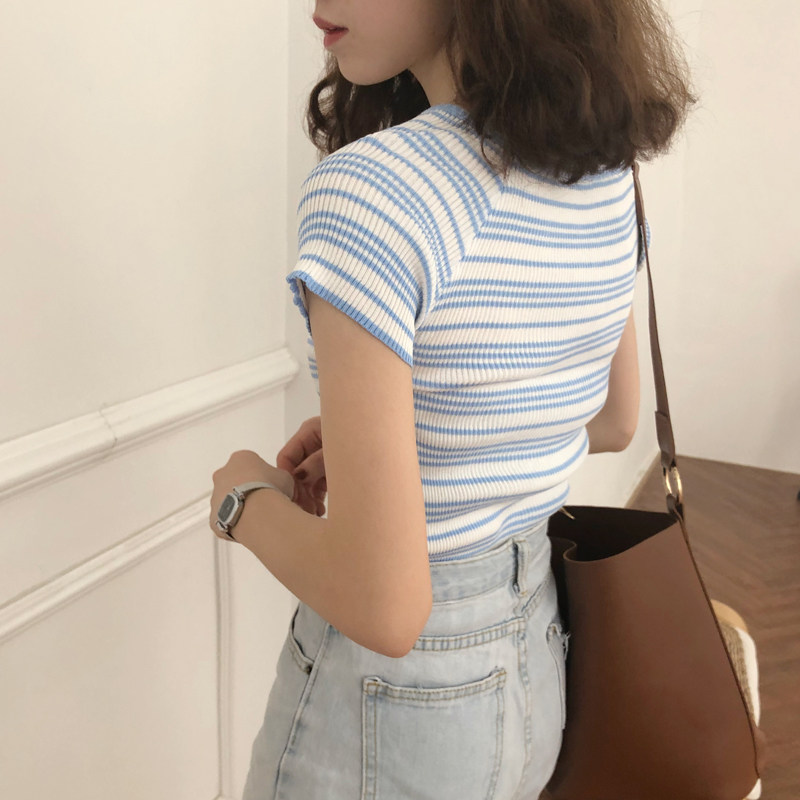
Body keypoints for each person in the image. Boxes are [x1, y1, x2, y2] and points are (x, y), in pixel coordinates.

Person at [209, 0, 695, 797]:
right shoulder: (606, 174)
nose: (317, 4)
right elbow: (613, 421)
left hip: (387, 714)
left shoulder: (371, 192)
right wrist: (416, 438)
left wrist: (242, 498)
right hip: (537, 665)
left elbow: (386, 608)